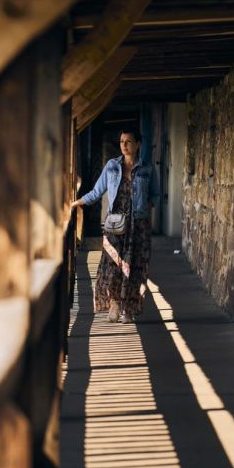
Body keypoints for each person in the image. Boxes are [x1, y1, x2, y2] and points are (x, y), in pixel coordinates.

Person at [71, 128, 158, 323]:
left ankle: (129, 308)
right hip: (115, 225)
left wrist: (144, 206)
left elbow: (156, 196)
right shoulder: (112, 166)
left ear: (138, 144)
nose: (124, 145)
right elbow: (97, 191)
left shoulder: (147, 169)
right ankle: (115, 304)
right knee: (112, 265)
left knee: (135, 266)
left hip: (139, 227)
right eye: (121, 141)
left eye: (128, 141)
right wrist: (77, 202)